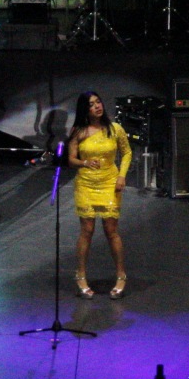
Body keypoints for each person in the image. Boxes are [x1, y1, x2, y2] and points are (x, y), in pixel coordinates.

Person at [68, 90, 132, 299]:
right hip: (86, 184)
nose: (97, 106)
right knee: (87, 230)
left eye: (98, 102)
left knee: (111, 230)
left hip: (109, 184)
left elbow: (127, 153)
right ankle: (80, 276)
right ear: (84, 109)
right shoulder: (78, 131)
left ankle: (121, 276)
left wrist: (121, 176)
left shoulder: (115, 129)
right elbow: (71, 159)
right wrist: (84, 162)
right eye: (91, 104)